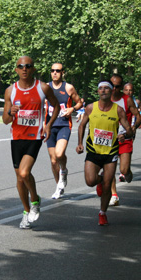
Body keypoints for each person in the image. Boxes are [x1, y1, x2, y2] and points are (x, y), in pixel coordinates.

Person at [3, 56, 60, 229]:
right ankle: (27, 212)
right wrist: (11, 112)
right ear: (16, 70)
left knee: (24, 172)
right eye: (21, 66)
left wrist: (49, 125)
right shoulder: (10, 91)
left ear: (33, 69)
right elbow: (5, 120)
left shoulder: (42, 88)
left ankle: (35, 200)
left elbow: (56, 106)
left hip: (34, 137)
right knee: (20, 179)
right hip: (16, 138)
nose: (24, 69)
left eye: (28, 66)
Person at [76, 80, 133, 225]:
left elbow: (129, 130)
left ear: (111, 91)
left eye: (106, 88)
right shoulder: (90, 108)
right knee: (90, 181)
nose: (103, 91)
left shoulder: (118, 110)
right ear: (97, 92)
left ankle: (102, 213)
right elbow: (82, 126)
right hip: (94, 151)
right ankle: (100, 181)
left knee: (108, 186)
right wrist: (80, 143)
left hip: (111, 152)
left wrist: (124, 136)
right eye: (100, 88)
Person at [45, 63, 83, 199]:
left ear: (62, 73)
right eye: (52, 70)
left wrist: (72, 109)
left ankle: (64, 170)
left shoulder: (68, 88)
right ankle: (59, 186)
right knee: (53, 160)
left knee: (59, 154)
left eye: (58, 71)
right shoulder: (45, 87)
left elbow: (79, 102)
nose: (55, 73)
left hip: (63, 125)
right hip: (49, 126)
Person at [105, 75, 141, 206]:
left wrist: (133, 127)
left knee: (124, 170)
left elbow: (138, 116)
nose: (114, 89)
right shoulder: (105, 98)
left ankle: (128, 173)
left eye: (117, 86)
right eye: (112, 86)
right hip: (109, 140)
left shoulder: (127, 100)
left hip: (125, 138)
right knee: (109, 170)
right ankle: (114, 195)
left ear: (121, 87)